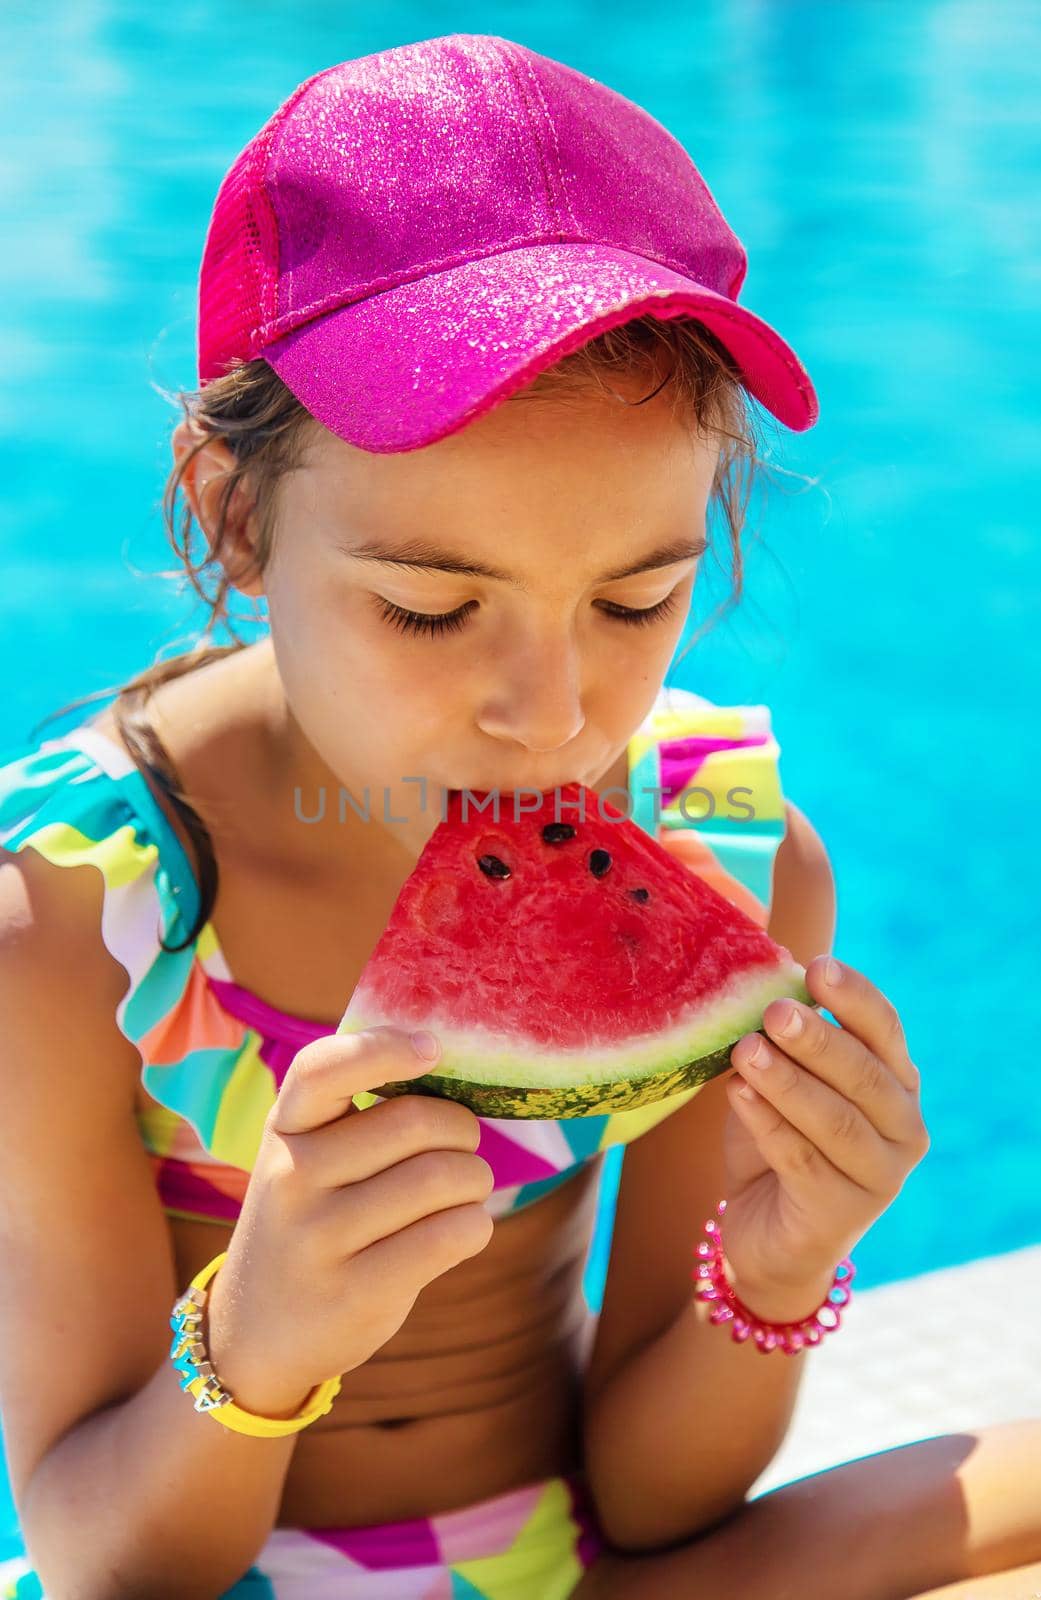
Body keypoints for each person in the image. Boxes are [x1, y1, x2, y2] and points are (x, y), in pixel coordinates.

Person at [1, 33, 1039, 1600]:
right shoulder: (73, 926)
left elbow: (656, 1496)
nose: (550, 714)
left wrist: (771, 1270)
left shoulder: (730, 865)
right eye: (430, 607)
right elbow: (97, 1561)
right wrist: (258, 1337)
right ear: (231, 514)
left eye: (637, 596)